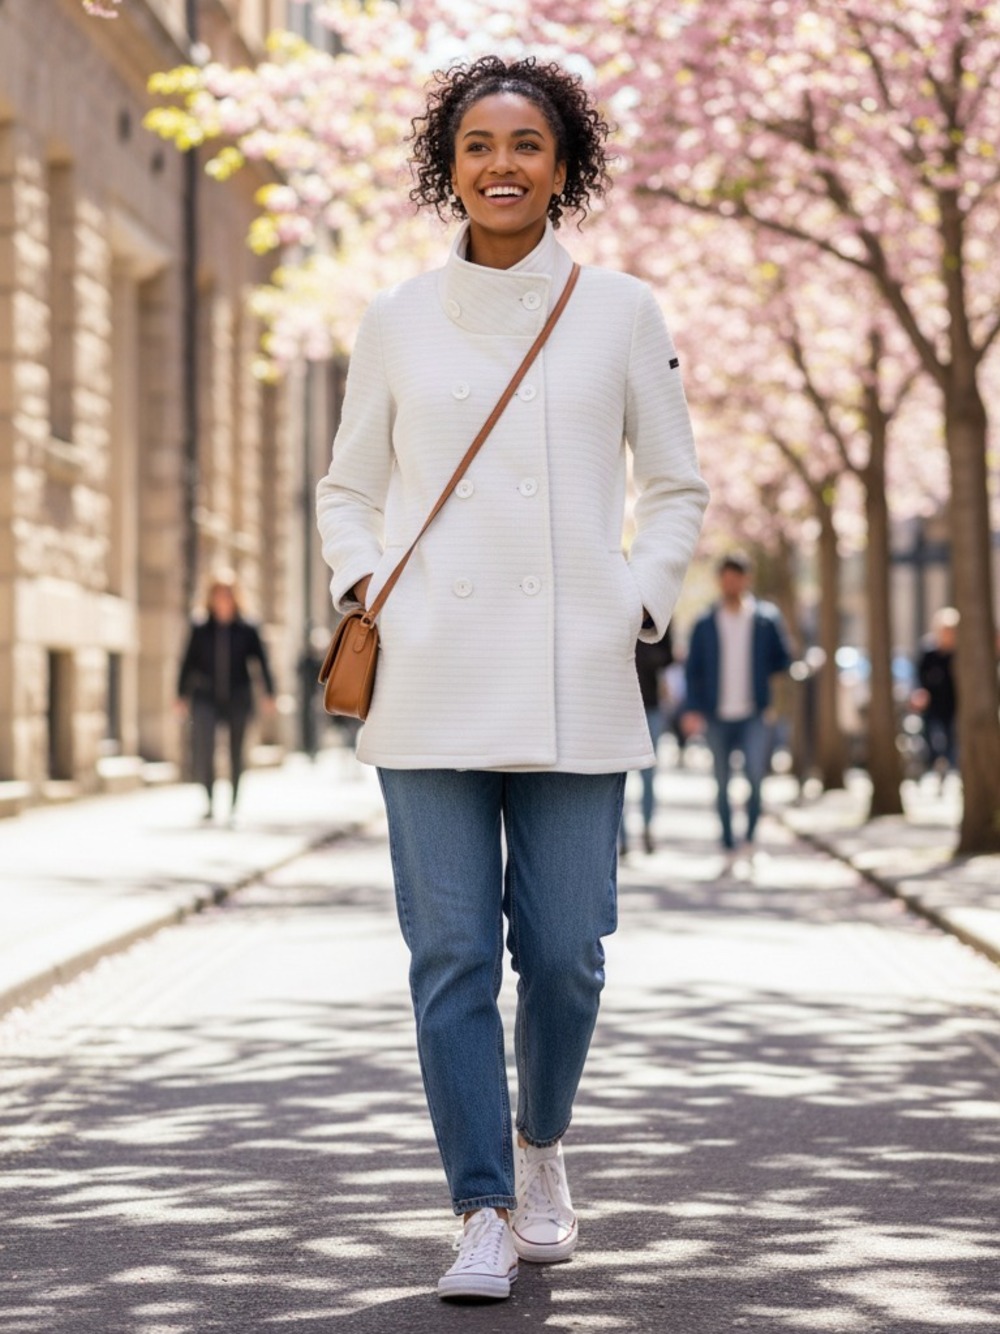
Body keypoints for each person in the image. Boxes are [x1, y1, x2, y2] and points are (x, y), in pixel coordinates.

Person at [315, 55, 708, 1303]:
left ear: (562, 163)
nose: (501, 164)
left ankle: (542, 1144)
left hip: (573, 672)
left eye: (526, 144)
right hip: (429, 674)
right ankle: (481, 1201)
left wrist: (634, 601)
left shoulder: (623, 313)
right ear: (449, 163)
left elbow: (677, 484)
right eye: (478, 144)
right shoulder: (394, 320)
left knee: (568, 950)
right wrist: (369, 588)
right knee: (447, 953)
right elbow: (346, 488)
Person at [683, 553, 791, 852]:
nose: (731, 584)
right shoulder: (705, 622)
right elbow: (693, 670)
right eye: (726, 579)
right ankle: (728, 839)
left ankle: (752, 836)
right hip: (716, 713)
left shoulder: (765, 619)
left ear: (747, 579)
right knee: (721, 780)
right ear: (720, 581)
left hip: (754, 712)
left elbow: (783, 658)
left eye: (737, 578)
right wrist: (691, 709)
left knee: (756, 775)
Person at [176, 571, 276, 821]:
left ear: (235, 597)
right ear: (211, 597)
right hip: (205, 697)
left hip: (239, 696)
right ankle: (209, 802)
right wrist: (180, 695)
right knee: (204, 749)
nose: (223, 599)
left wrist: (269, 693)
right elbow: (187, 663)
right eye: (218, 594)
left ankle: (233, 804)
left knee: (236, 751)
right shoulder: (200, 627)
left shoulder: (247, 627)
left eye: (228, 594)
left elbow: (262, 662)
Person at [621, 625, 674, 855]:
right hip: (615, 705)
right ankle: (620, 837)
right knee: (616, 773)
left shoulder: (655, 602)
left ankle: (648, 828)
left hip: (650, 704)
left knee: (649, 774)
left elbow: (668, 655)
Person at [911, 606, 959, 783]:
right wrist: (918, 693)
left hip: (952, 704)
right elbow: (917, 677)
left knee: (950, 738)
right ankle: (937, 763)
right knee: (932, 736)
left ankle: (946, 766)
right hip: (931, 704)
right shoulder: (928, 652)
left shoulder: (958, 654)